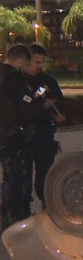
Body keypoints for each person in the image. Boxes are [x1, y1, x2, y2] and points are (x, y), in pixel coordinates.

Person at [0, 44, 40, 229]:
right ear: (21, 60)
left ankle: (7, 216)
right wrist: (37, 105)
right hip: (14, 135)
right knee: (17, 178)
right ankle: (16, 218)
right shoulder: (14, 79)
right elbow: (26, 106)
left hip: (3, 134)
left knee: (9, 177)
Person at [26, 44, 64, 208]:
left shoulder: (48, 81)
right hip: (24, 136)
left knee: (46, 178)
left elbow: (59, 102)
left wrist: (58, 114)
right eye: (36, 62)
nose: (40, 66)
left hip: (44, 134)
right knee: (21, 179)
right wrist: (40, 105)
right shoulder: (17, 81)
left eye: (42, 62)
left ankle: (47, 210)